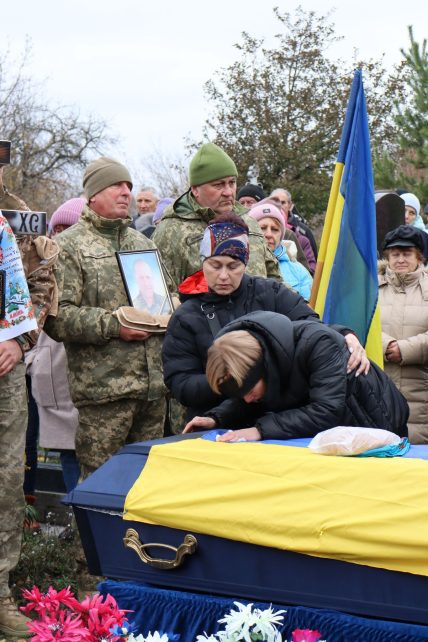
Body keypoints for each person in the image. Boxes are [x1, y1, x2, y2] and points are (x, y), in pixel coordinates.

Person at [162, 213, 369, 425]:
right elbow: (181, 384)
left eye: (233, 266)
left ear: (246, 262)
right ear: (203, 262)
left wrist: (345, 334)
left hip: (281, 419)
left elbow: (311, 327)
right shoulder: (186, 316)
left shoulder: (270, 293)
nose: (223, 276)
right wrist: (232, 379)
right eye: (215, 266)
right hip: (215, 423)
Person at [44, 157, 170, 479]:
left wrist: (173, 310)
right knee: (100, 486)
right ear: (93, 195)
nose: (125, 192)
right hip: (104, 393)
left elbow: (166, 297)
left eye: (128, 185)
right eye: (116, 185)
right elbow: (58, 318)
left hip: (153, 391)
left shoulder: (142, 243)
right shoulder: (68, 246)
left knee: (147, 486)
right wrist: (114, 326)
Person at [183, 311, 409, 442]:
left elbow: (327, 410)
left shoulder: (319, 343)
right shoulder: (262, 366)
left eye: (250, 392)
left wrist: (260, 430)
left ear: (264, 367)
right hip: (336, 436)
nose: (248, 400)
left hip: (375, 424)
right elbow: (249, 395)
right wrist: (217, 418)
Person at [153, 142, 282, 289]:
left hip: (260, 310)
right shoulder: (170, 231)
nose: (228, 192)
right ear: (195, 189)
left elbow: (275, 280)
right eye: (218, 185)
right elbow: (163, 295)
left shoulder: (249, 222)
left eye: (232, 183)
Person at [27, 197, 85, 493]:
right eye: (56, 227)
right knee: (66, 450)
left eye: (68, 227)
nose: (59, 235)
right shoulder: (39, 261)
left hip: (81, 369)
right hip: (50, 370)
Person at [0, 212, 36, 637]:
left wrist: (13, 338)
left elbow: (13, 287)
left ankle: (1, 592)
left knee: (6, 481)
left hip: (3, 367)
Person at [378, 224, 428, 443]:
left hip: (421, 388)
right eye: (395, 254)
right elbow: (356, 326)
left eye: (407, 253)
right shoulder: (371, 288)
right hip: (379, 382)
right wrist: (386, 346)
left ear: (419, 257)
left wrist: (405, 349)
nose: (400, 259)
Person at [249, 201, 312, 300]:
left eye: (274, 229)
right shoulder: (237, 265)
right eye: (262, 228)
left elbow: (310, 309)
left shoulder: (299, 271)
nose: (269, 234)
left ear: (281, 235)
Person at [270, 187, 318, 265]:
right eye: (275, 202)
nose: (279, 206)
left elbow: (312, 265)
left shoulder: (303, 231)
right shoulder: (260, 229)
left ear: (290, 205)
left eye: (283, 202)